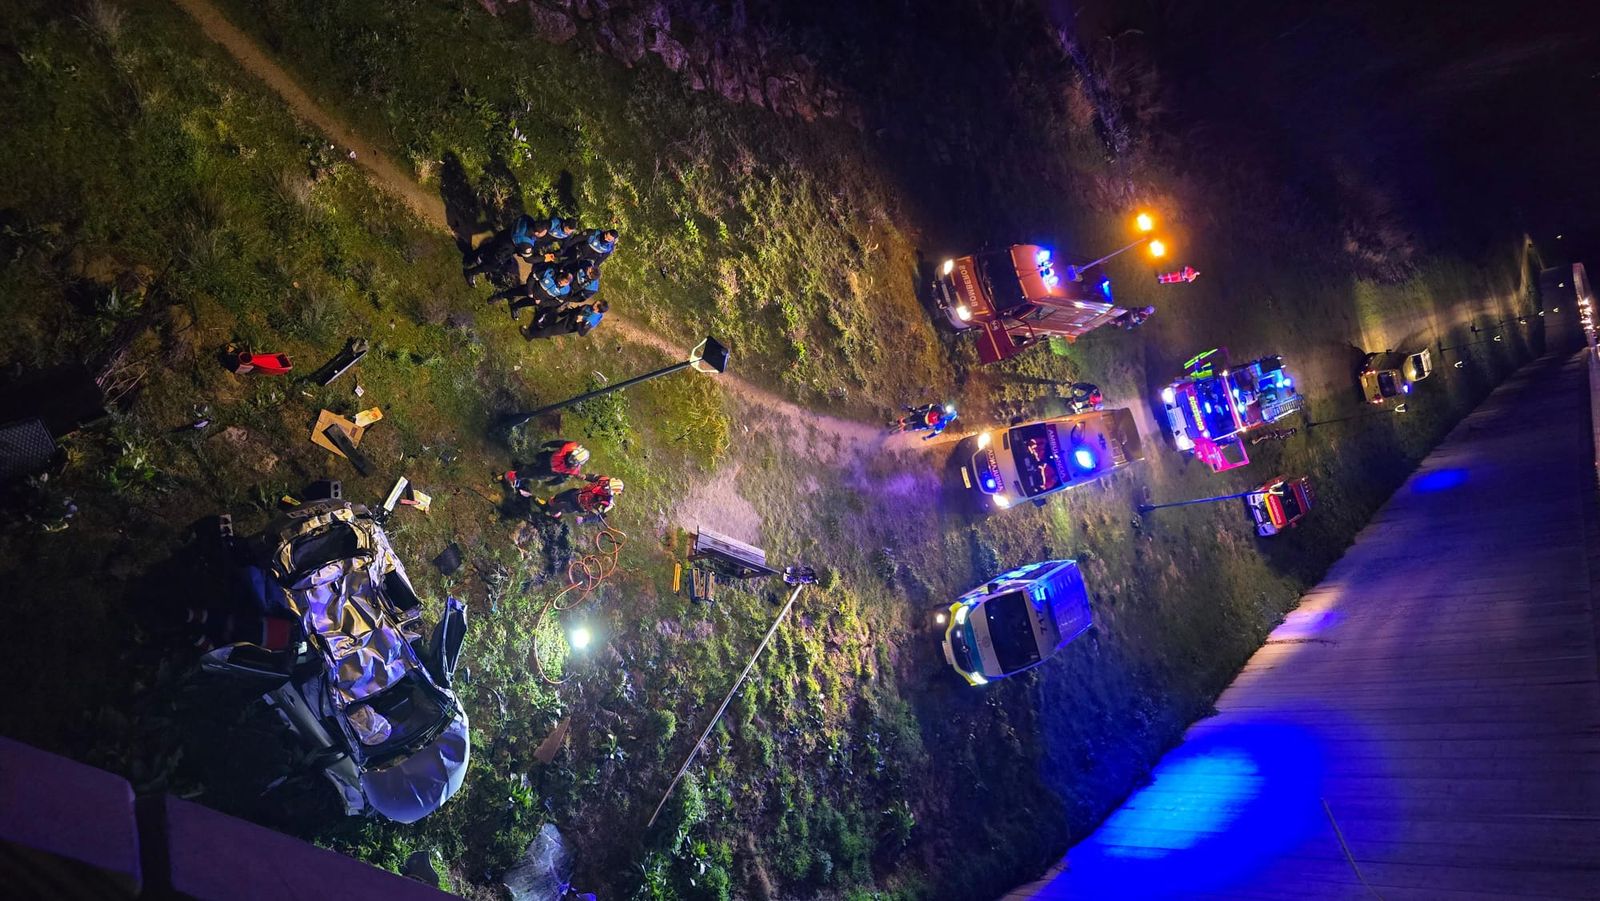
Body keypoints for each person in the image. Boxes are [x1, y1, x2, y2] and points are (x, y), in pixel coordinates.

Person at [504, 441, 591, 495]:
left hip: (549, 471)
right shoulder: (570, 445)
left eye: (573, 461)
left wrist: (550, 483)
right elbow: (558, 443)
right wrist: (546, 444)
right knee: (535, 460)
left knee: (533, 473)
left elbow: (562, 479)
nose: (570, 460)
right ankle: (521, 468)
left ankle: (512, 476)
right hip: (548, 457)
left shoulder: (573, 470)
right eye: (572, 457)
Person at [495, 266, 573, 321]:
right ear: (560, 275)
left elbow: (557, 302)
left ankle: (515, 307)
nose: (560, 284)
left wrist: (542, 303)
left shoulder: (566, 290)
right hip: (530, 289)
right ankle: (499, 296)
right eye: (560, 281)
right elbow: (532, 277)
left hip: (538, 300)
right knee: (514, 292)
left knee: (524, 303)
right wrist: (529, 290)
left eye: (564, 284)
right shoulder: (550, 272)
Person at [536, 475, 622, 522]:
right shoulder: (604, 479)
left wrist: (584, 519)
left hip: (578, 505)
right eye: (607, 484)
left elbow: (595, 515)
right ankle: (550, 505)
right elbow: (594, 478)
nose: (605, 486)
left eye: (608, 488)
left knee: (561, 506)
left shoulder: (606, 501)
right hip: (576, 493)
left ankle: (550, 513)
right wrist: (585, 476)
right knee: (558, 497)